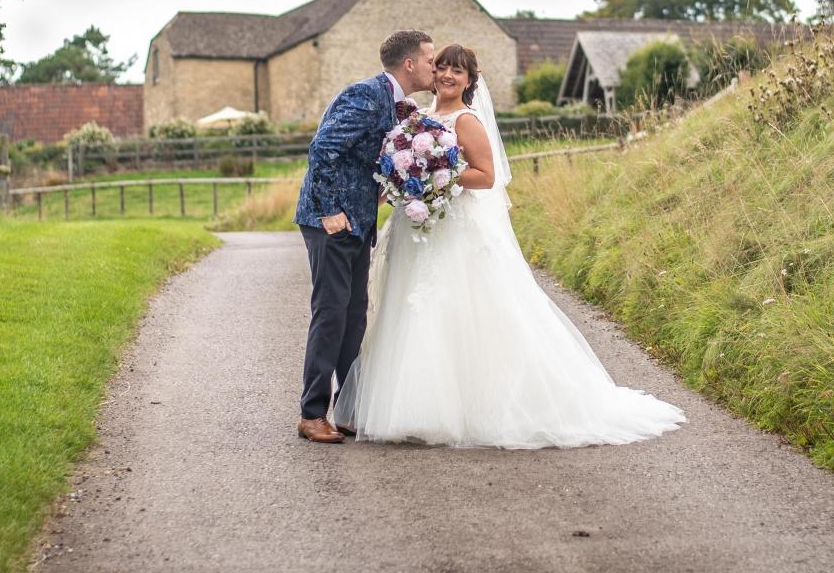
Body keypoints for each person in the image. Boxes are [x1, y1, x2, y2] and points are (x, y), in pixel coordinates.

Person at [332, 44, 686, 448]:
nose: (447, 75)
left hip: (454, 229)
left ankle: (464, 409)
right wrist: (404, 178)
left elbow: (485, 177)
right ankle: (409, 407)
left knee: (450, 307)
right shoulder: (418, 118)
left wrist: (440, 171)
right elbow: (398, 164)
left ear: (469, 81)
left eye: (457, 71)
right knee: (409, 307)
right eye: (442, 67)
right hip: (417, 228)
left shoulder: (466, 121)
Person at [293, 29, 436, 443]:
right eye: (429, 58)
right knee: (331, 312)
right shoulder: (365, 94)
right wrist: (328, 211)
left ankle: (350, 407)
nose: (434, 65)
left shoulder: (398, 104)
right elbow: (322, 149)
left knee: (355, 314)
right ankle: (312, 413)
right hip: (331, 221)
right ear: (409, 64)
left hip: (359, 222)